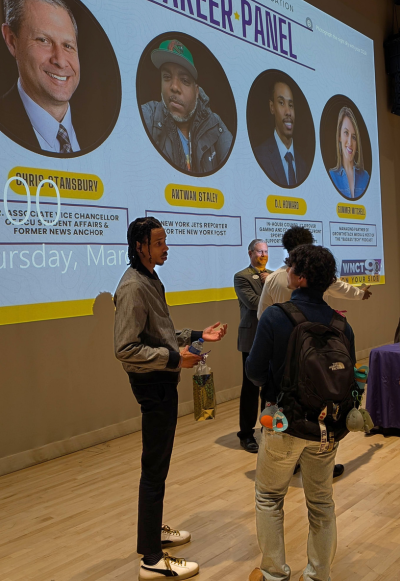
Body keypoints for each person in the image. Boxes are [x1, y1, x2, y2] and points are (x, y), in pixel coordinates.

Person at [114, 216, 227, 581]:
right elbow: (127, 348)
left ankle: (152, 529)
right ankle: (151, 557)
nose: (166, 248)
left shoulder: (150, 278)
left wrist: (198, 334)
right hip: (153, 386)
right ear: (140, 247)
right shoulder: (133, 287)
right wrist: (178, 358)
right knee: (154, 468)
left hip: (162, 381)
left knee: (158, 466)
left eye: (165, 241)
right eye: (159, 242)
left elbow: (159, 332)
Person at [247, 244, 356, 581]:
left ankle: (274, 575)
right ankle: (317, 575)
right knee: (321, 503)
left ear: (301, 277)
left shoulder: (276, 317)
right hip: (328, 428)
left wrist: (274, 386)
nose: (287, 271)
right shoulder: (342, 325)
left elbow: (253, 371)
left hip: (284, 423)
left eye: (291, 266)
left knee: (269, 496)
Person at [0, 0, 83, 154]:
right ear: (11, 40)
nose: (60, 60)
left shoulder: (104, 129)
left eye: (68, 45)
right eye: (43, 40)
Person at [141, 38, 233, 174]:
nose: (174, 87)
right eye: (167, 77)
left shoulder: (214, 124)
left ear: (196, 92)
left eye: (184, 80)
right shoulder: (149, 116)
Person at [257, 225, 372, 318]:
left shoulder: (272, 278)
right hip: (314, 339)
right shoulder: (318, 274)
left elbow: (262, 314)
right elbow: (341, 288)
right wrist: (361, 294)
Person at [234, 240, 272, 453]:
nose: (263, 255)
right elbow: (255, 303)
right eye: (259, 251)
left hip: (272, 337)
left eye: (266, 251)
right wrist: (269, 285)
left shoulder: (275, 275)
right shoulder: (241, 277)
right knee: (250, 387)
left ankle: (268, 428)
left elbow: (285, 300)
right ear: (250, 253)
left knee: (270, 387)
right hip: (251, 338)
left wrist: (272, 281)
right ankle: (246, 434)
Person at [254, 80, 308, 188]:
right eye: (281, 103)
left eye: (291, 105)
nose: (288, 112)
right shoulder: (259, 156)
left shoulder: (304, 165)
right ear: (272, 107)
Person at [329, 106, 370, 199]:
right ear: (339, 136)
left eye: (354, 137)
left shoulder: (365, 177)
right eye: (346, 133)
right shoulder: (332, 176)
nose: (350, 142)